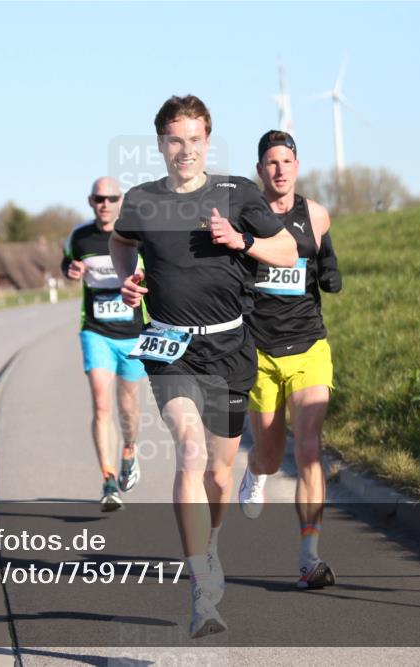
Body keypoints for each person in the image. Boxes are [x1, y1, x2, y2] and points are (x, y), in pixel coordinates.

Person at [109, 96, 297, 637]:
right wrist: (128, 280)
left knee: (219, 472)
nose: (184, 150)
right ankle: (199, 584)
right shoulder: (142, 202)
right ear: (161, 144)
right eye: (174, 140)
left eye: (194, 139)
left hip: (230, 348)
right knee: (188, 449)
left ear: (207, 142)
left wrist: (242, 240)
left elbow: (285, 251)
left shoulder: (237, 192)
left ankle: (209, 547)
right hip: (169, 345)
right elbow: (121, 243)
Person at [238, 130, 343, 590]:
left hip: (308, 347)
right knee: (267, 453)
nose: (279, 169)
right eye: (271, 163)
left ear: (297, 166)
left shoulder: (316, 215)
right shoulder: (245, 217)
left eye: (287, 161)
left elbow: (326, 265)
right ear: (260, 170)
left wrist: (331, 274)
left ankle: (308, 555)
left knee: (308, 448)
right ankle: (256, 472)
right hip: (260, 351)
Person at [61, 177, 147, 511]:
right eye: (99, 198)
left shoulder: (136, 235)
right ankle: (109, 480)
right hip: (96, 331)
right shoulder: (79, 237)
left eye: (111, 198)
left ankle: (129, 449)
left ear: (121, 200)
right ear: (91, 201)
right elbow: (67, 263)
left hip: (134, 333)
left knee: (128, 406)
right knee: (101, 405)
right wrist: (71, 270)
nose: (105, 204)